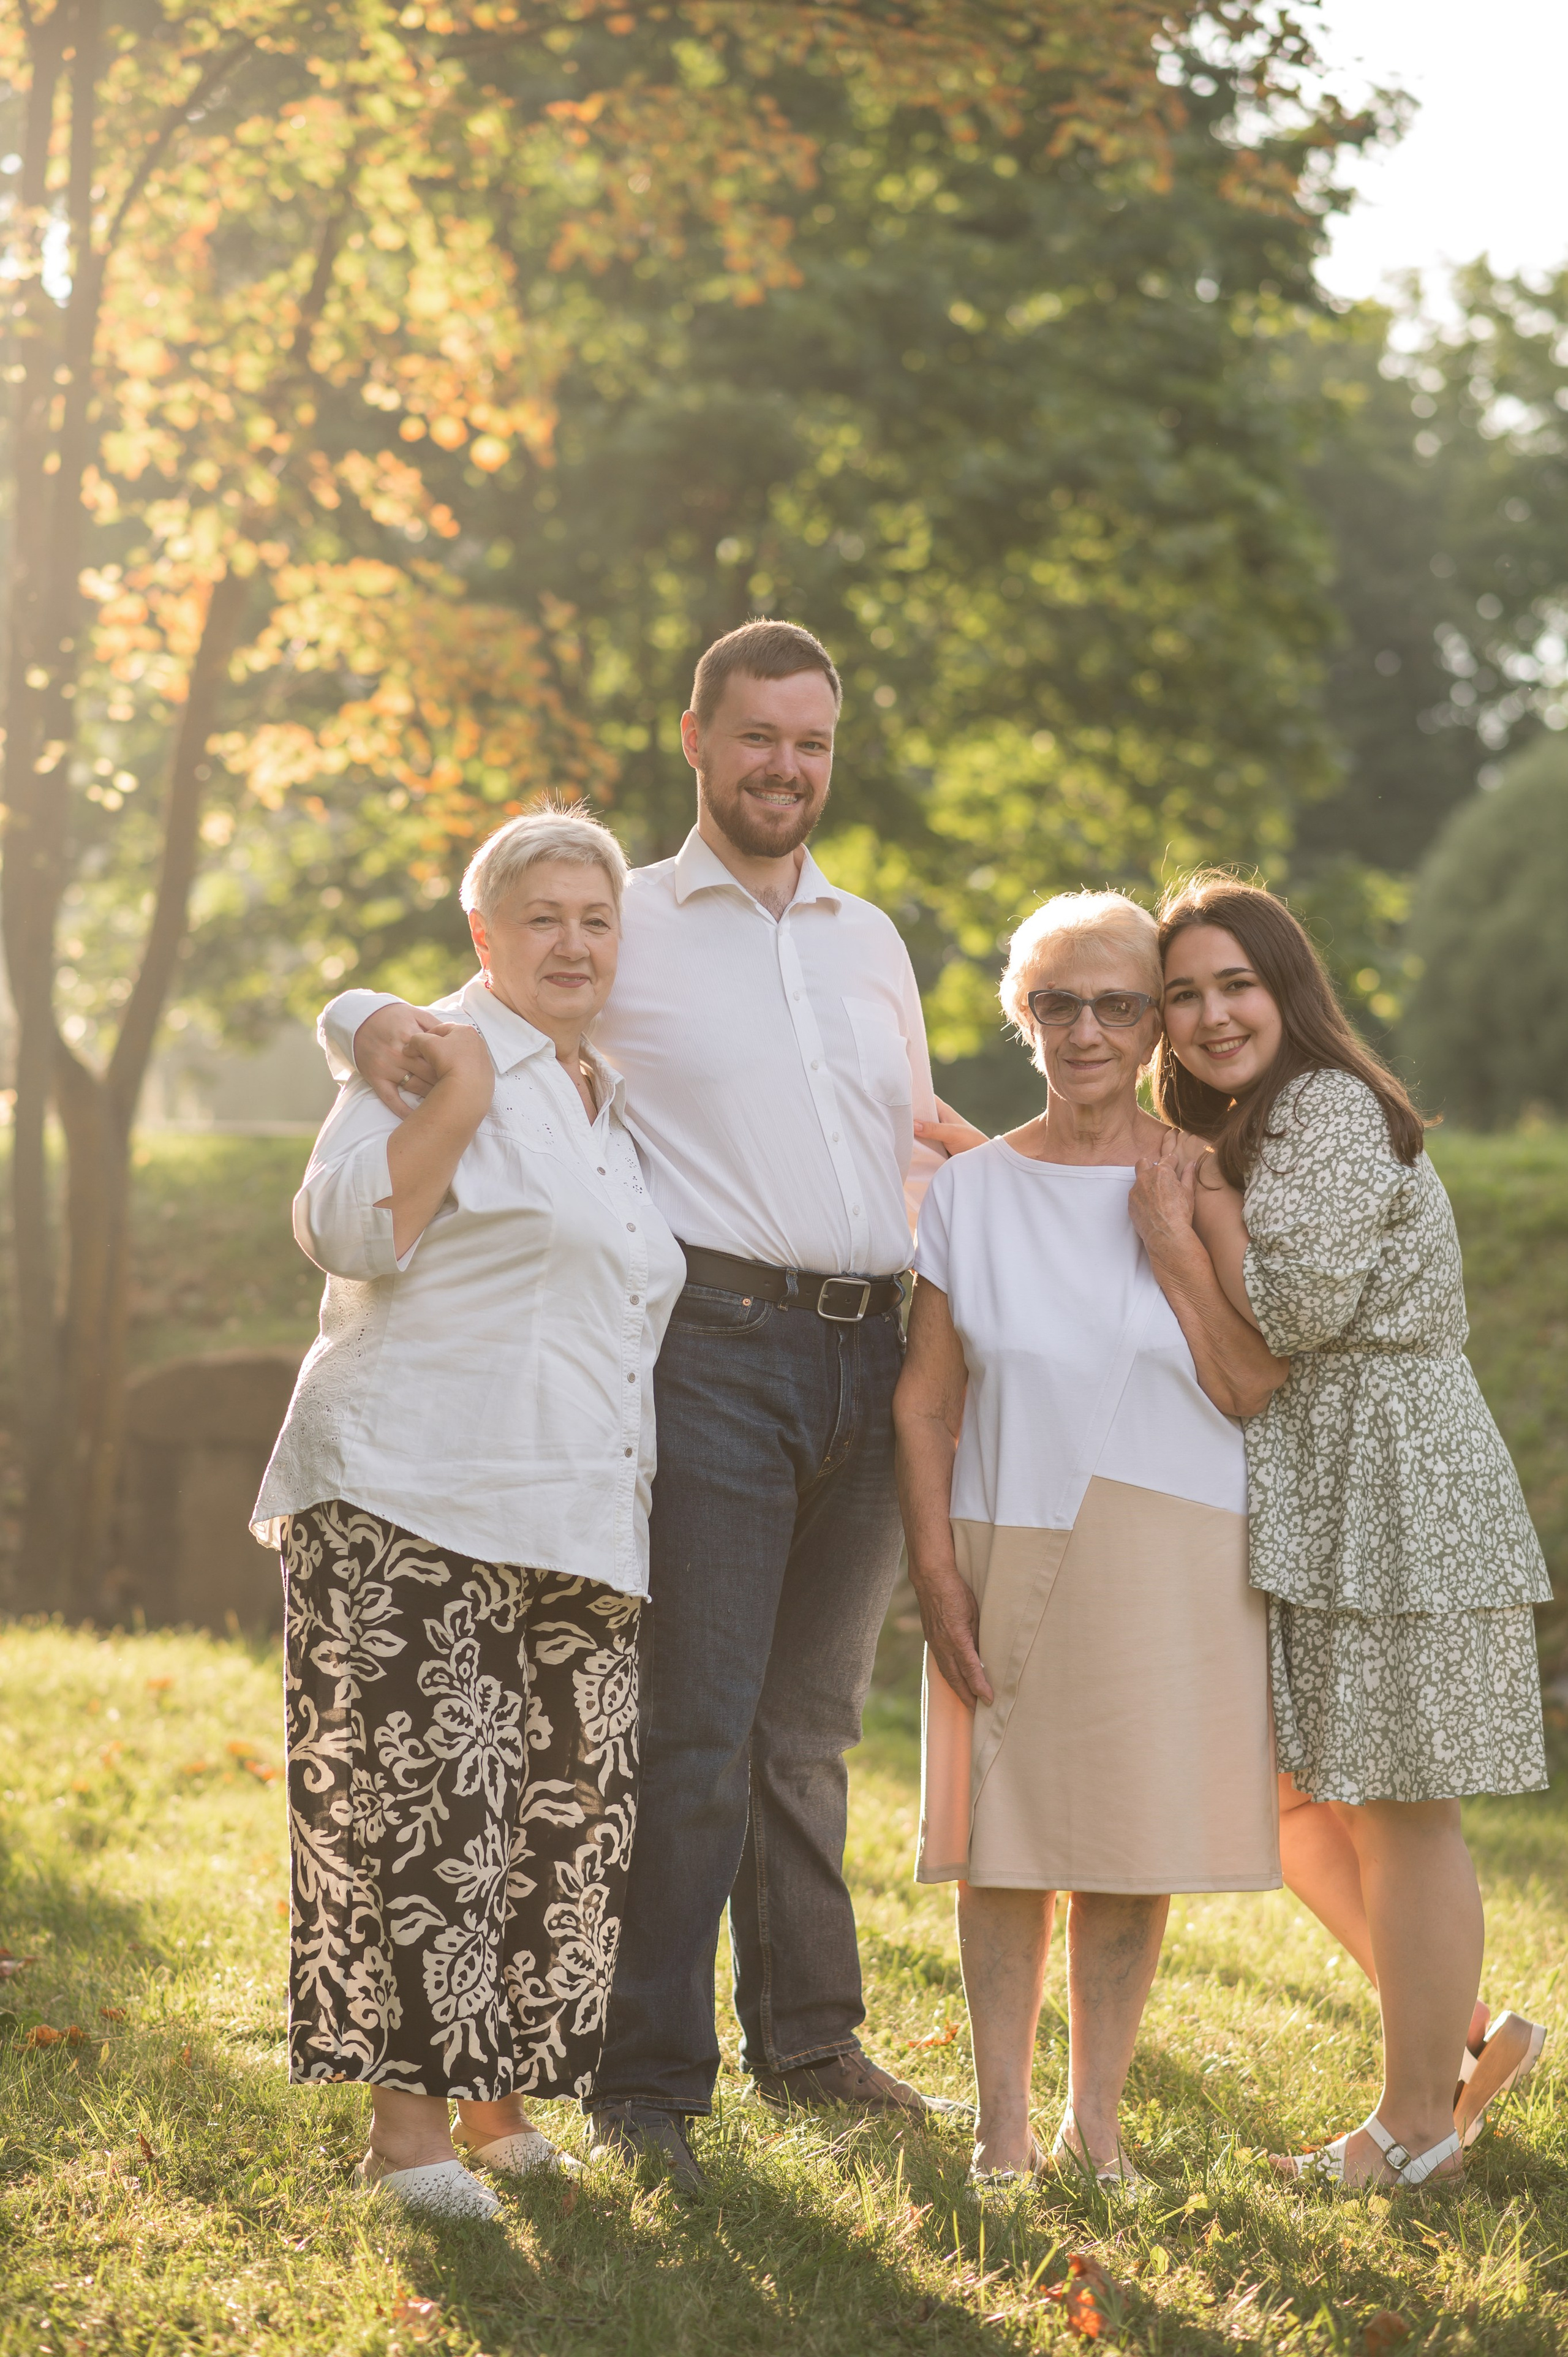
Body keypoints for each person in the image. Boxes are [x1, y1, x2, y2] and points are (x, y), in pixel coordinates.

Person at [317, 620, 955, 2190]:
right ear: (696, 737)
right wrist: (354, 1013)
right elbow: (472, 990)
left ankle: (808, 2037)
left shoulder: (873, 938)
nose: (783, 768)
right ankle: (647, 2078)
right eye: (756, 738)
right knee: (688, 1730)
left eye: (810, 743)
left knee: (806, 1728)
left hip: (867, 1353)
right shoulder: (632, 917)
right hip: (715, 1346)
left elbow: (919, 1140)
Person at [252, 807, 686, 2219]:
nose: (573, 941)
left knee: (553, 1820)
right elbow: (348, 1232)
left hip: (574, 1508)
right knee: (424, 1818)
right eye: (543, 916)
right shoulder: (428, 1051)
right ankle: (403, 2129)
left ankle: (492, 2096)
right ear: (483, 936)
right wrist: (441, 1101)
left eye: (596, 919)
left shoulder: (600, 1095)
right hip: (411, 1488)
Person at [1148, 873, 1550, 2189]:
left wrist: (1195, 1213)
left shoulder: (1321, 1105)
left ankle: (1412, 2128)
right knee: (1293, 1788)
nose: (1209, 1015)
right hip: (1329, 1477)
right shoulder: (1264, 1123)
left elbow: (1299, 1309)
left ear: (1287, 989)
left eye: (1233, 985)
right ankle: (1468, 2037)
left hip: (1392, 1472)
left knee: (1398, 1803)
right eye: (1183, 995)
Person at [894, 889, 1287, 2187]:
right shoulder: (971, 1190)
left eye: (1116, 1002)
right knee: (1002, 1845)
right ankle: (998, 2129)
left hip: (1176, 1542)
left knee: (1130, 1838)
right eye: (1054, 1002)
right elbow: (925, 1397)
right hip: (999, 1526)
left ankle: (1093, 2126)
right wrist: (933, 1567)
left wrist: (1171, 1240)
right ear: (1021, 1015)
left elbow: (1247, 1379)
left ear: (1155, 1023)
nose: (1084, 1030)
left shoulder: (1200, 1173)